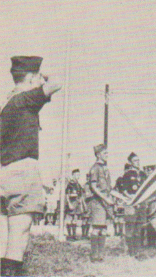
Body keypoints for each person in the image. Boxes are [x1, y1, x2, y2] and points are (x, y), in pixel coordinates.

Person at [0, 56, 61, 276]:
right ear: (31, 77)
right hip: (22, 172)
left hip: (2, 172)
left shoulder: (7, 102)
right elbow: (55, 83)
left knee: (3, 236)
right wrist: (43, 75)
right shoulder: (26, 98)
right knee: (19, 235)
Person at [88, 144, 115, 262]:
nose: (107, 155)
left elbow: (108, 187)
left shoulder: (105, 168)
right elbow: (94, 187)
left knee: (103, 229)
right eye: (105, 153)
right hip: (98, 202)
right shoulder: (95, 168)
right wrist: (105, 198)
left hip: (106, 202)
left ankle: (101, 255)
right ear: (98, 155)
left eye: (107, 153)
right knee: (96, 229)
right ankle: (94, 256)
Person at [122, 152, 148, 258]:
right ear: (130, 162)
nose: (137, 162)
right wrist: (132, 199)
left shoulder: (142, 174)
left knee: (139, 228)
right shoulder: (127, 174)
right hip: (130, 204)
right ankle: (130, 251)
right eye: (135, 161)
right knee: (130, 228)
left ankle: (137, 251)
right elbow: (124, 190)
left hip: (141, 204)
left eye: (138, 160)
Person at [65, 169, 85, 240]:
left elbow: (81, 195)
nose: (78, 176)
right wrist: (69, 203)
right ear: (73, 175)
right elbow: (67, 194)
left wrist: (81, 204)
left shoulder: (78, 184)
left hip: (77, 203)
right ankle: (69, 235)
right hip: (71, 202)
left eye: (79, 175)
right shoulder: (70, 184)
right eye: (76, 175)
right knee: (69, 219)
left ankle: (73, 235)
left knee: (75, 219)